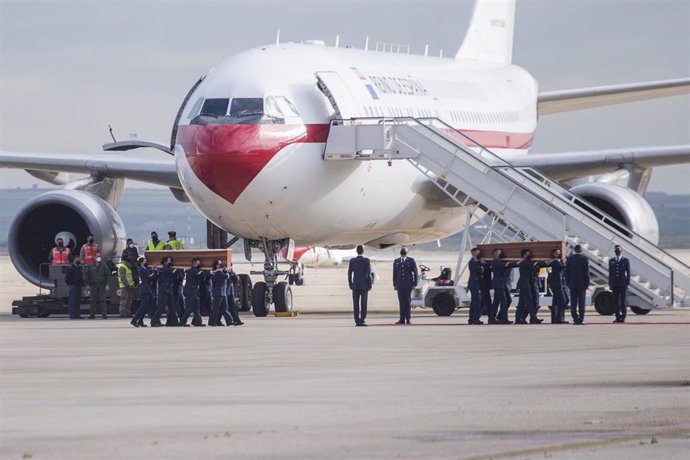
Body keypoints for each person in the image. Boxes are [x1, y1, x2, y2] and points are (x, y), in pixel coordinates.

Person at [515, 249, 543, 324]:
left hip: (524, 284)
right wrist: (537, 261)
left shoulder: (525, 262)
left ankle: (518, 319)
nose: (530, 255)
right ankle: (533, 318)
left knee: (521, 303)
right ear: (524, 255)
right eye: (528, 254)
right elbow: (532, 267)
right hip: (525, 284)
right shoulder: (525, 262)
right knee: (529, 302)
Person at [348, 245, 372, 326]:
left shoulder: (352, 261)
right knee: (363, 303)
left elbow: (349, 274)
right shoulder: (366, 260)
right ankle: (362, 320)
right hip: (364, 285)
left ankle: (356, 321)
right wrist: (370, 284)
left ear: (356, 251)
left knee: (355, 304)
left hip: (355, 285)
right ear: (363, 251)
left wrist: (351, 284)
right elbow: (368, 274)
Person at [393, 246, 417, 325]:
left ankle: (408, 318)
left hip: (408, 284)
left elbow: (415, 272)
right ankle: (402, 319)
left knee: (407, 302)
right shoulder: (396, 261)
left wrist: (414, 283)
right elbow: (395, 274)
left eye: (405, 249)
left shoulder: (411, 260)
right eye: (402, 249)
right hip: (399, 284)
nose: (403, 250)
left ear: (407, 252)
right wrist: (395, 284)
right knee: (401, 302)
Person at [566, 245, 590, 325]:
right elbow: (586, 272)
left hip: (572, 283)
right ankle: (581, 318)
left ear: (574, 250)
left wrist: (568, 282)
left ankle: (575, 318)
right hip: (582, 283)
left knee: (573, 302)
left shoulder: (570, 259)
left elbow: (567, 272)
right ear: (581, 250)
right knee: (581, 302)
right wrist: (587, 283)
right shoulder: (584, 259)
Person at [489, 249, 515, 325]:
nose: (499, 254)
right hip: (498, 284)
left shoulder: (502, 261)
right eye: (497, 253)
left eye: (500, 253)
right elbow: (503, 266)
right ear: (494, 254)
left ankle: (494, 317)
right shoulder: (494, 262)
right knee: (504, 301)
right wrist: (518, 262)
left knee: (500, 301)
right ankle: (503, 319)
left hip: (503, 283)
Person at [152, 257, 178, 327]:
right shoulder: (165, 269)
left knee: (172, 307)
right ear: (165, 262)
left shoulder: (167, 268)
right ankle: (154, 321)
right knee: (161, 307)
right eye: (169, 261)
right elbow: (173, 271)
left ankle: (174, 322)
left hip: (169, 290)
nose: (170, 262)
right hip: (164, 291)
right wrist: (178, 266)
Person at [131, 257, 157, 327]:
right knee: (143, 306)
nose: (146, 262)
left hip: (148, 290)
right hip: (145, 290)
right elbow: (150, 276)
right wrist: (154, 270)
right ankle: (134, 320)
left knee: (149, 307)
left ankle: (142, 321)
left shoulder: (145, 269)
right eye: (144, 261)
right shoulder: (142, 270)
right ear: (141, 262)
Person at [180, 258, 206, 327]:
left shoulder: (193, 270)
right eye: (198, 263)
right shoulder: (192, 271)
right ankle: (182, 322)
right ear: (194, 263)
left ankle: (198, 321)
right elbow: (201, 273)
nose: (199, 264)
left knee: (196, 307)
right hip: (190, 291)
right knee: (189, 308)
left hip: (194, 291)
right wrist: (206, 270)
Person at [209, 260, 235, 326]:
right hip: (219, 292)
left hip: (223, 292)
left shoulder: (219, 272)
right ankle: (212, 321)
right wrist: (226, 271)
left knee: (225, 307)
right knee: (216, 308)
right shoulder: (218, 272)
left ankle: (229, 321)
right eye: (219, 264)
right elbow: (226, 276)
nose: (221, 265)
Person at [609, 244, 631, 323]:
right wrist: (610, 283)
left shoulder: (625, 260)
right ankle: (617, 317)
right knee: (616, 302)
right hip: (614, 284)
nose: (617, 250)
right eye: (616, 249)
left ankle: (623, 316)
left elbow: (628, 273)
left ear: (621, 250)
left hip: (623, 284)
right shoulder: (611, 260)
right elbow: (610, 273)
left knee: (623, 301)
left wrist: (627, 283)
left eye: (618, 249)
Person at [85, 252, 109, 319]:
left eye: (99, 256)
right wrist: (87, 285)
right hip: (93, 285)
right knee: (93, 300)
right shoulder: (90, 266)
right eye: (97, 256)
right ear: (94, 257)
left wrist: (107, 284)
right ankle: (92, 314)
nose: (99, 257)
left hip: (102, 285)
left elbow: (107, 275)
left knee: (103, 300)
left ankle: (104, 314)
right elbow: (87, 276)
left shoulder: (104, 265)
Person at [547, 248, 568, 324]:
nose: (559, 254)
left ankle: (555, 318)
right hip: (557, 284)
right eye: (557, 253)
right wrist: (566, 262)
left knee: (556, 301)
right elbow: (562, 267)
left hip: (558, 283)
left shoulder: (557, 261)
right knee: (563, 300)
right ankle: (559, 318)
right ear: (554, 254)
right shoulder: (555, 262)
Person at [467, 247, 483, 325]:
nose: (478, 253)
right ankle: (475, 319)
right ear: (473, 252)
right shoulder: (473, 261)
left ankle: (472, 318)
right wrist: (481, 264)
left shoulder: (475, 261)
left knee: (474, 302)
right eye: (477, 252)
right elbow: (478, 270)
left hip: (474, 283)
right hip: (474, 283)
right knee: (476, 301)